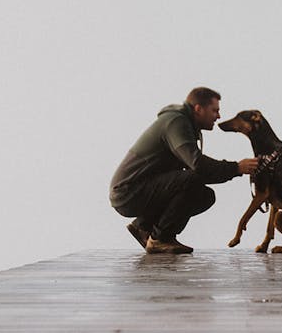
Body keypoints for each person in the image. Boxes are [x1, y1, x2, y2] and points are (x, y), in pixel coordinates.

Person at [110, 87, 259, 254]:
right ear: (198, 109)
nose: (218, 116)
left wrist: (234, 170)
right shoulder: (176, 122)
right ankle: (160, 239)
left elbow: (196, 170)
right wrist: (236, 168)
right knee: (193, 180)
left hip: (141, 189)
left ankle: (143, 227)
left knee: (204, 195)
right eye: (214, 110)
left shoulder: (185, 124)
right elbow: (198, 166)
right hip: (128, 192)